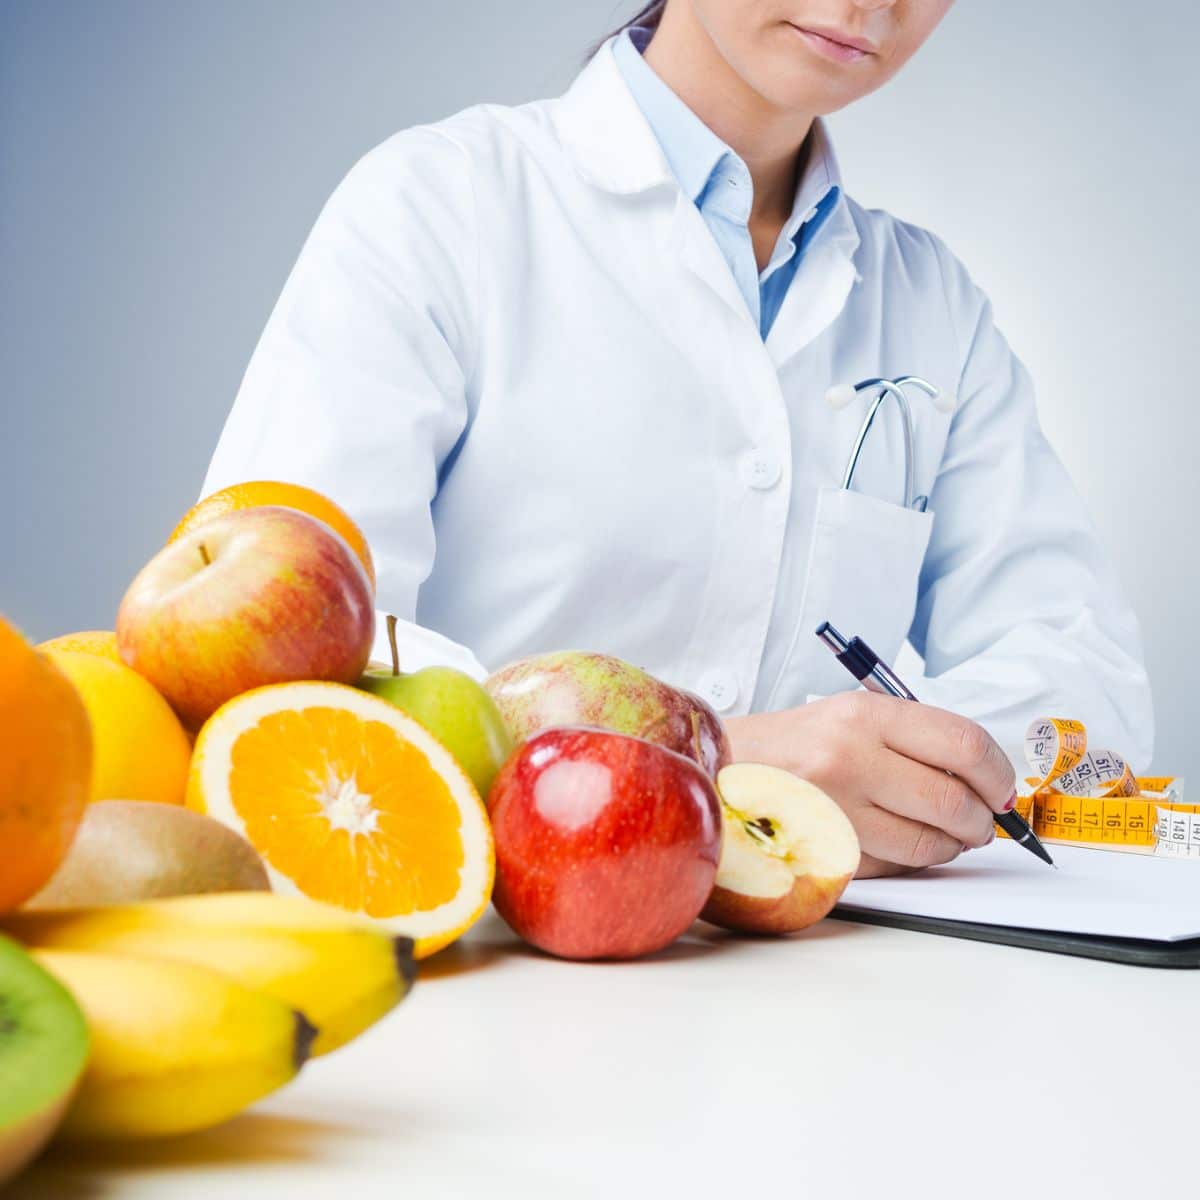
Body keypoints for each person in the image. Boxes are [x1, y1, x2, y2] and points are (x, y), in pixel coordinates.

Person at [201, 1, 1153, 877]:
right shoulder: (439, 206)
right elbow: (281, 667)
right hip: (485, 947)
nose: (872, 0)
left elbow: (1084, 675)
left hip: (826, 979)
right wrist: (719, 761)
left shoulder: (930, 301)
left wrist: (905, 778)